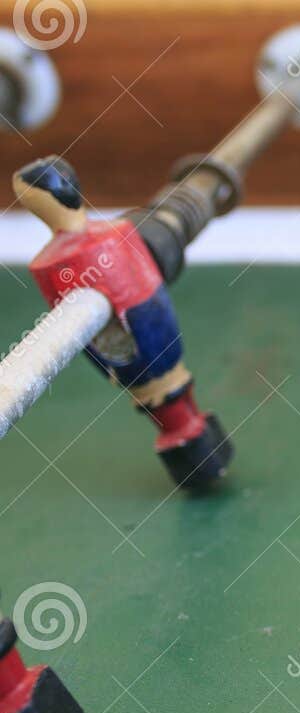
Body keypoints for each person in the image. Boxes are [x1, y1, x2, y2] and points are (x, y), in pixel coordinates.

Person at [17, 155, 232, 488]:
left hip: (150, 339)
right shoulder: (76, 252)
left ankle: (191, 440)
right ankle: (192, 443)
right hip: (140, 348)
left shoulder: (85, 247)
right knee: (159, 386)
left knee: (163, 387)